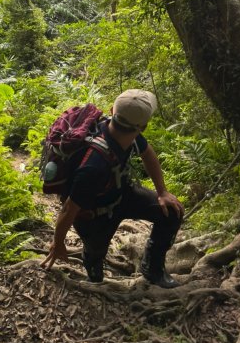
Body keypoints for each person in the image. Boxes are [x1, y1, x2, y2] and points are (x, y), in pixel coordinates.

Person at [41, 89, 184, 288]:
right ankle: (94, 272)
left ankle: (152, 269)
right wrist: (58, 244)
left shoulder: (127, 133)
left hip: (122, 194)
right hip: (94, 216)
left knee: (171, 213)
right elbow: (68, 209)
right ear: (143, 126)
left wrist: (162, 192)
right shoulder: (93, 166)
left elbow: (147, 153)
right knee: (96, 252)